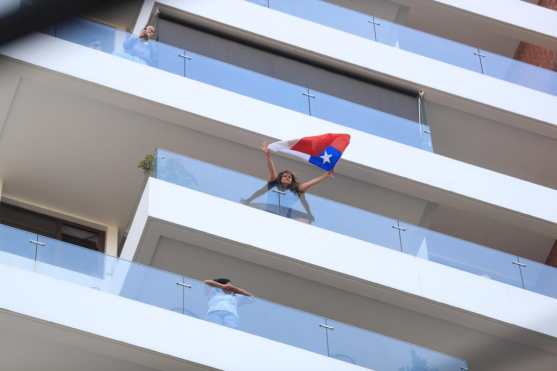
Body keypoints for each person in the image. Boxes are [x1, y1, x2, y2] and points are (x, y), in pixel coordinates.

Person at [242, 142, 333, 222]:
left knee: (305, 220)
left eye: (290, 177)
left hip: (285, 214)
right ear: (280, 178)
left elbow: (310, 185)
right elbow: (269, 173)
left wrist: (326, 175)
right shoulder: (273, 183)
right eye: (285, 176)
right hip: (269, 210)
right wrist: (267, 155)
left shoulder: (297, 189)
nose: (287, 177)